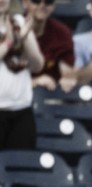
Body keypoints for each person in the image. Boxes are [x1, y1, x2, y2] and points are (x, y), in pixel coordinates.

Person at [0, 0, 44, 150]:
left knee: (21, 167)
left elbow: (38, 65)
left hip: (21, 110)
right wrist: (9, 44)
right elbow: (8, 45)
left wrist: (24, 39)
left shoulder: (18, 22)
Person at [22, 0, 76, 92]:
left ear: (54, 5)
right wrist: (34, 82)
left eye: (48, 1)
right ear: (24, 3)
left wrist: (67, 80)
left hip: (49, 94)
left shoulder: (62, 32)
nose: (42, 5)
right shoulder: (13, 28)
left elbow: (67, 74)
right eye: (36, 1)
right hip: (15, 98)